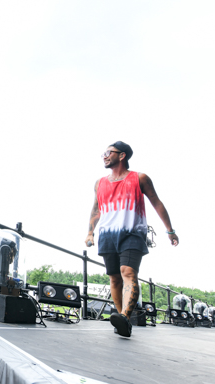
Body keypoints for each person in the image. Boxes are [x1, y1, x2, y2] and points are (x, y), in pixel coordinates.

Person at [85, 141, 179, 338]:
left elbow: (156, 202)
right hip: (108, 234)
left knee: (127, 271)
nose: (104, 156)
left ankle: (126, 317)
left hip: (133, 232)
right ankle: (121, 320)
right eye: (104, 153)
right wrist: (90, 232)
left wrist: (169, 230)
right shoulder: (99, 183)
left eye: (108, 152)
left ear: (122, 156)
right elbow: (96, 209)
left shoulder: (140, 178)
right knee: (114, 277)